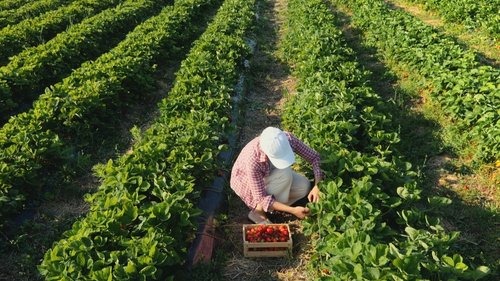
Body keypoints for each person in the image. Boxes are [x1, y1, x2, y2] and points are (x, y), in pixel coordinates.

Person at [230, 126, 323, 224]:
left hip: (272, 173)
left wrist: (317, 185)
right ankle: (258, 211)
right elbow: (261, 197)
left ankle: (274, 205)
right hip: (246, 183)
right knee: (285, 174)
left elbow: (315, 157)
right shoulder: (253, 159)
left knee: (304, 187)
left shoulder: (288, 139)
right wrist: (293, 210)